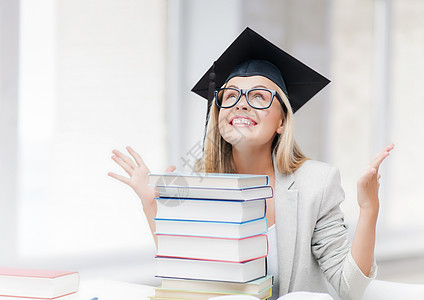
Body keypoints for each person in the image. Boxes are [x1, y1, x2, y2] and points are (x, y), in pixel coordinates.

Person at [108, 28, 394, 300]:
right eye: (230, 96)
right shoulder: (201, 183)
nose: (241, 104)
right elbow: (192, 275)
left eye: (259, 96)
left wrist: (369, 209)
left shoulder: (316, 184)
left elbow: (351, 288)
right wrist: (151, 205)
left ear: (282, 121)